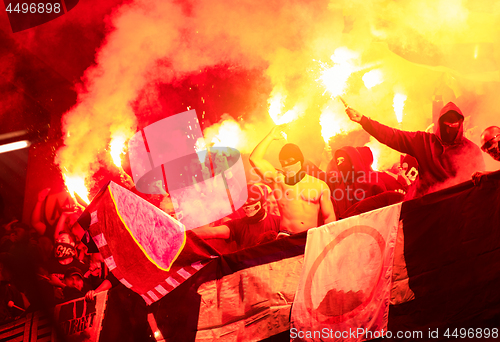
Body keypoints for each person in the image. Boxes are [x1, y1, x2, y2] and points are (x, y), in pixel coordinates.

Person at [345, 102, 485, 196]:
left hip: (456, 206)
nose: (448, 130)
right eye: (445, 125)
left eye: (453, 126)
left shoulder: (471, 150)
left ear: (460, 124)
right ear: (440, 124)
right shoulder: (424, 141)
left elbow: (481, 182)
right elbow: (394, 136)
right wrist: (364, 121)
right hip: (424, 204)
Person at [249, 127, 335, 233]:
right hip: (286, 237)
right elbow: (254, 159)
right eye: (283, 163)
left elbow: (329, 217)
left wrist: (328, 240)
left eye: (290, 161)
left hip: (309, 238)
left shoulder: (319, 185)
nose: (286, 166)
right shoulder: (278, 181)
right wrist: (270, 136)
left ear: (300, 160)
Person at [192, 184, 281, 250]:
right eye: (243, 202)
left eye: (250, 201)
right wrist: (183, 234)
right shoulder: (238, 225)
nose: (246, 205)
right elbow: (213, 232)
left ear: (262, 203)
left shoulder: (278, 222)